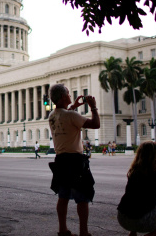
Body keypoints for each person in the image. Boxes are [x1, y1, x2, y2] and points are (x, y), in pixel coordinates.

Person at [48, 84, 100, 236]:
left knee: (63, 196)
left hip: (61, 160)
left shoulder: (52, 115)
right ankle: (83, 231)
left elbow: (64, 115)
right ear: (64, 97)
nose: (71, 97)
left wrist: (74, 105)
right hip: (75, 161)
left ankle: (62, 229)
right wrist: (93, 107)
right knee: (82, 197)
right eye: (69, 94)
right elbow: (95, 124)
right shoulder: (71, 116)